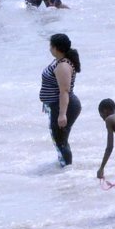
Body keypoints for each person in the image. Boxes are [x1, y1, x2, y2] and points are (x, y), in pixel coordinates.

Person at [40, 34, 82, 167]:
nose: (49, 49)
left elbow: (64, 91)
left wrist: (62, 114)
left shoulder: (63, 65)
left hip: (64, 106)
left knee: (60, 140)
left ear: (56, 48)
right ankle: (64, 166)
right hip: (57, 105)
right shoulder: (59, 61)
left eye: (50, 46)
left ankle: (67, 171)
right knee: (60, 139)